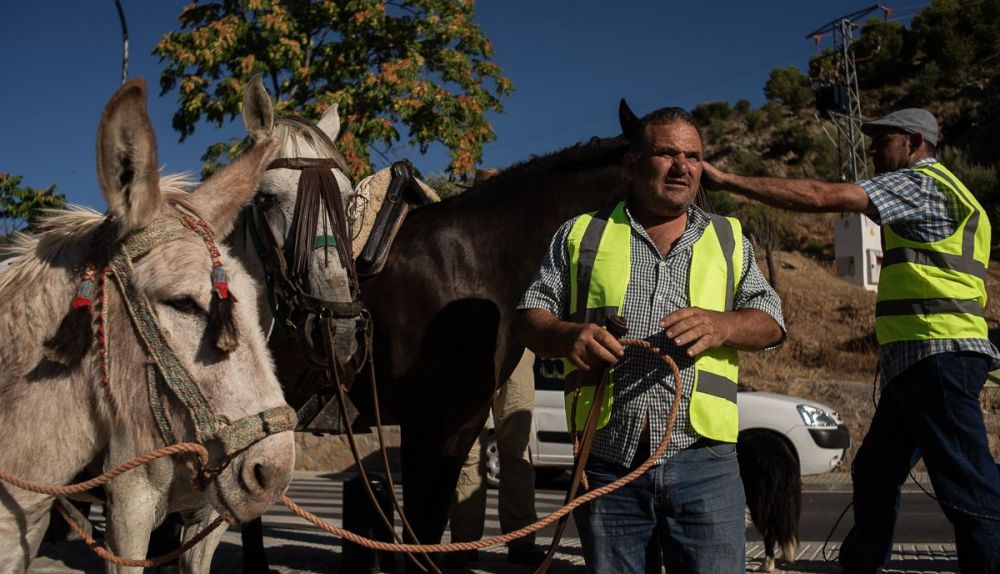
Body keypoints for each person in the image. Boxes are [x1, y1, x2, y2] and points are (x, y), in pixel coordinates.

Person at [702, 108, 1000, 573]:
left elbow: (824, 195)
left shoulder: (920, 182)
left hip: (937, 354)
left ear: (914, 143)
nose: (873, 151)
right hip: (920, 360)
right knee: (875, 473)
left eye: (883, 141)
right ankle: (861, 565)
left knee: (968, 484)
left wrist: (726, 180)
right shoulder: (955, 193)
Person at [514, 101, 785, 574]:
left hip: (705, 461)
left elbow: (772, 322)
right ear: (632, 163)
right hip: (606, 460)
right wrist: (565, 334)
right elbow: (528, 317)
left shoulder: (728, 238)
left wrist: (724, 325)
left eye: (694, 157)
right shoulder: (580, 234)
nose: (683, 166)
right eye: (667, 154)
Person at [445, 351, 546, 568]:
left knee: (517, 452)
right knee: (468, 452)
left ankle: (522, 540)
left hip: (517, 350)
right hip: (472, 351)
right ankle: (464, 541)